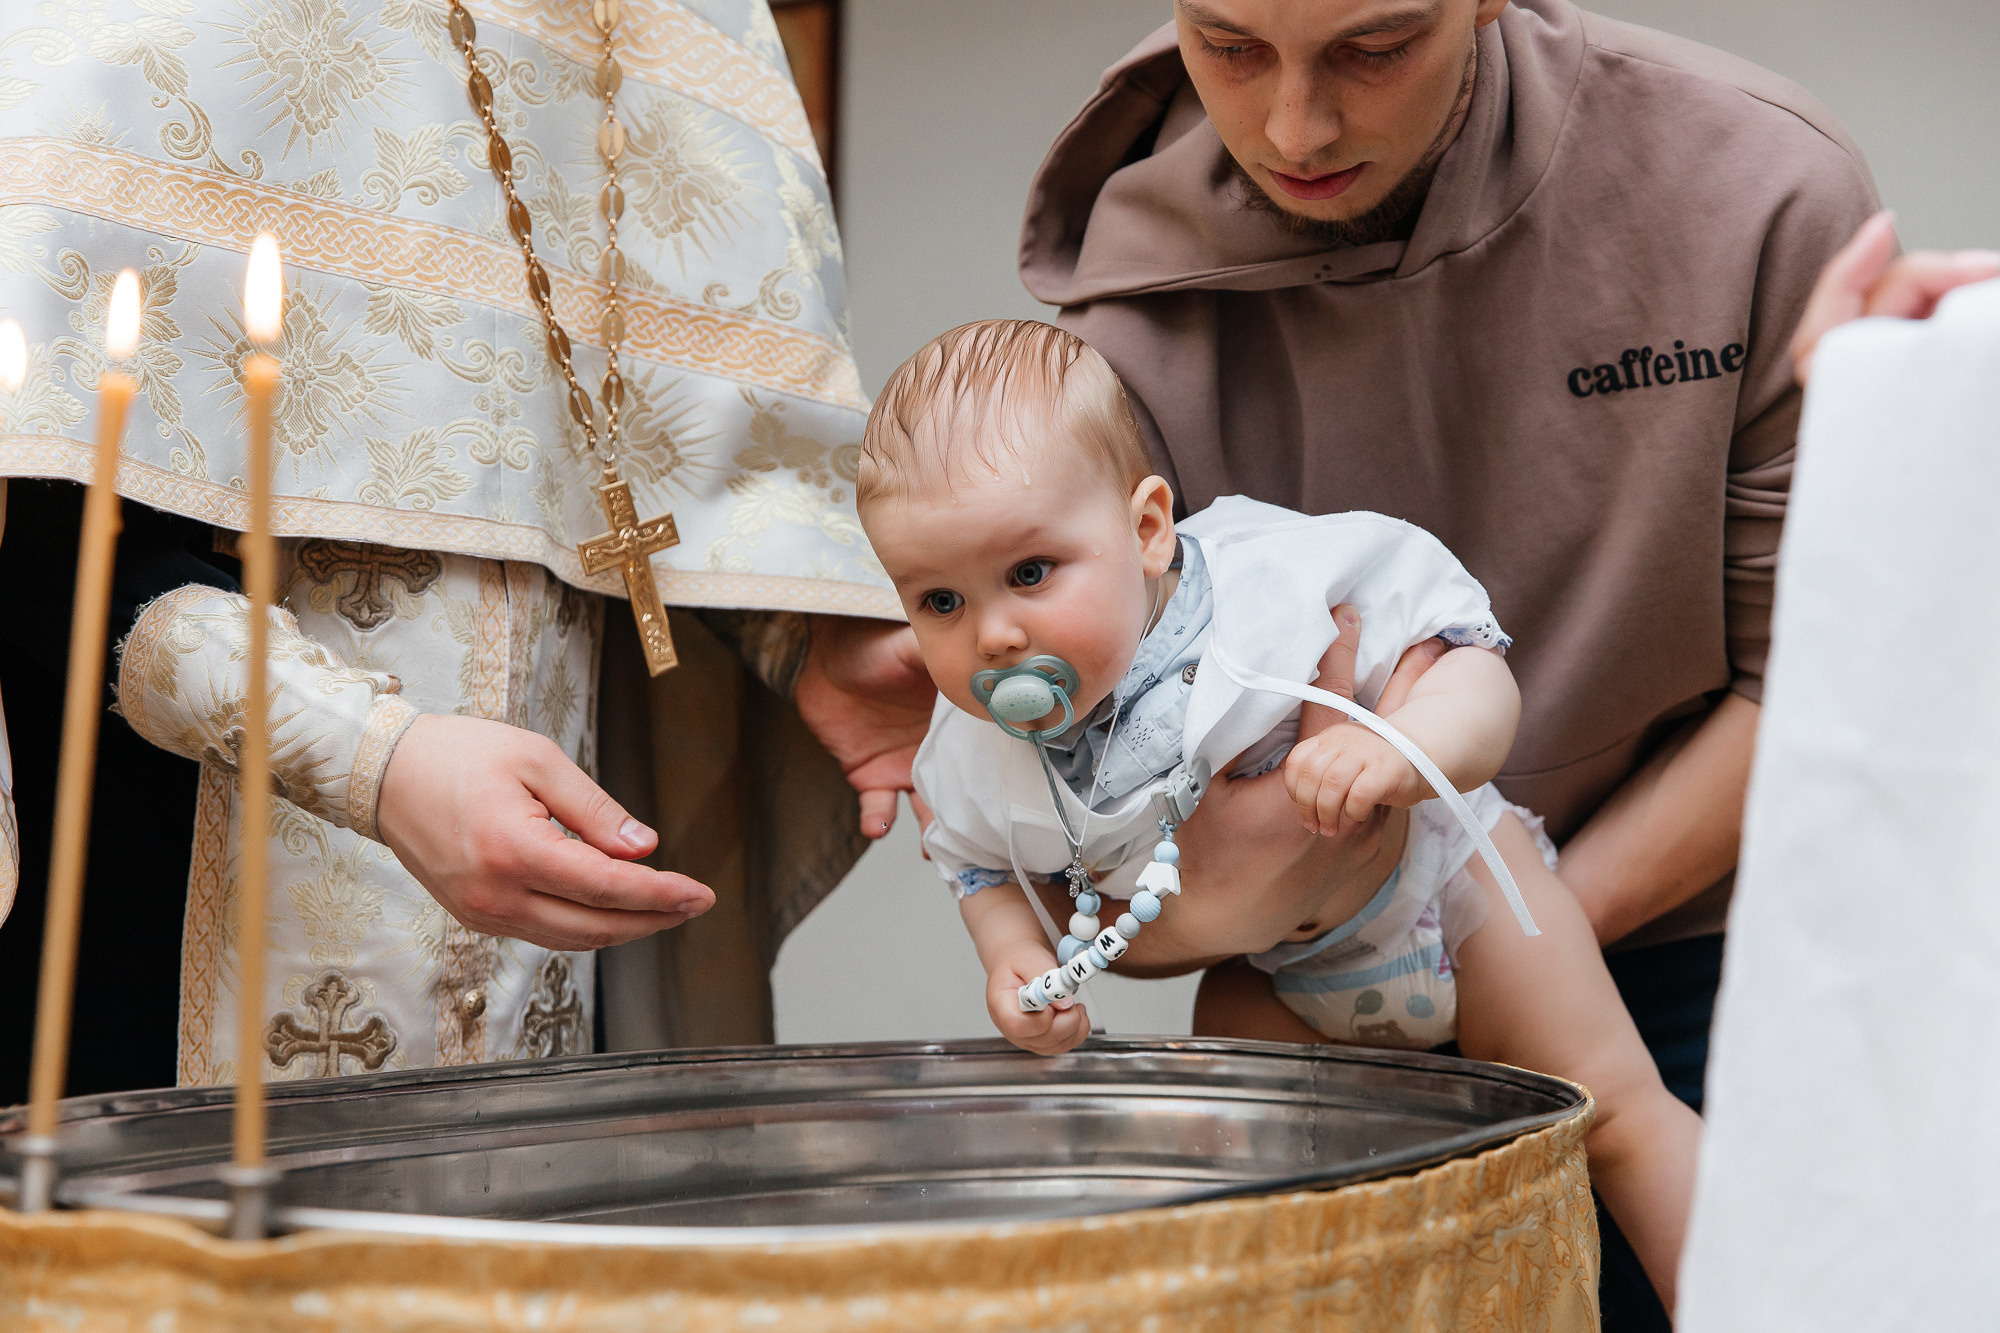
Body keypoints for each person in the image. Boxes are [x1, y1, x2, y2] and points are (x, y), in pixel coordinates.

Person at [1016, 1, 1880, 1323]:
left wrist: (1503, 936)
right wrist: (1267, 917)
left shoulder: (1758, 191)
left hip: (1696, 948)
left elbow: (1813, 684)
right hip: (1310, 971)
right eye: (1230, 46)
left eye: (1374, 48)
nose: (1295, 127)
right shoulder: (1108, 337)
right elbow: (1098, 875)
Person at [0, 0, 928, 1095]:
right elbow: (45, 501)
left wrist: (807, 632)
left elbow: (657, 435)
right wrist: (369, 757)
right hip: (140, 882)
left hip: (546, 893)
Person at [857, 319, 1699, 1308]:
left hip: (1449, 896)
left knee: (1610, 1113)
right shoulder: (973, 745)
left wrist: (1402, 750)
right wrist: (1011, 955)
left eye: (1030, 573)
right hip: (1276, 976)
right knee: (1248, 1166)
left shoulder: (1274, 588)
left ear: (1147, 529)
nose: (994, 635)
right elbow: (973, 862)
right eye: (940, 602)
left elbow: (1472, 666)